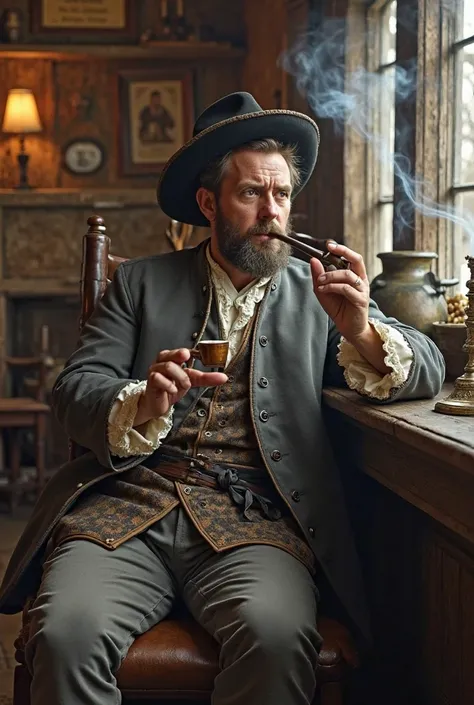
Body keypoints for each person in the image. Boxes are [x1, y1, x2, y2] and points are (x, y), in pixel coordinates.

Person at [0, 91, 445, 705]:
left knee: (278, 637)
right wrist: (144, 402)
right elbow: (75, 390)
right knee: (65, 635)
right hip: (127, 508)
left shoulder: (321, 293)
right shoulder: (139, 283)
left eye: (282, 195)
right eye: (250, 194)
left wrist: (361, 327)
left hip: (257, 520)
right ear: (209, 203)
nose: (271, 213)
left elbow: (428, 364)